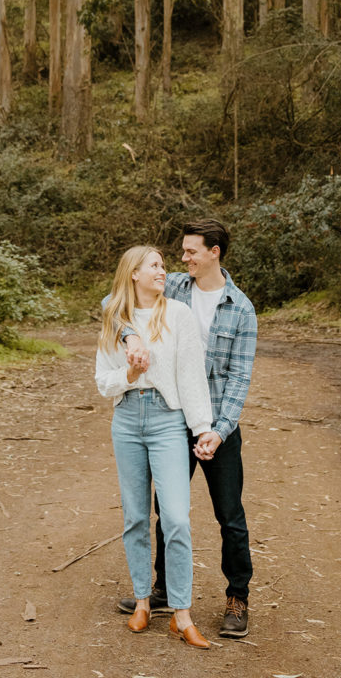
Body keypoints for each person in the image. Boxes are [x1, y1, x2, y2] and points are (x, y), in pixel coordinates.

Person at [117, 219, 257, 638]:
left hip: (217, 426)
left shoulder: (241, 308)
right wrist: (128, 337)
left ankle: (237, 597)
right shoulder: (173, 286)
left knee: (229, 514)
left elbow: (239, 378)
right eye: (181, 252)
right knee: (169, 512)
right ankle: (162, 590)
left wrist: (218, 429)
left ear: (215, 251)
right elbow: (119, 299)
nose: (183, 258)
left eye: (191, 251)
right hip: (171, 419)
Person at [95, 245, 215, 650]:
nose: (164, 271)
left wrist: (202, 429)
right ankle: (143, 602)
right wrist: (129, 373)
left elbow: (192, 378)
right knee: (134, 517)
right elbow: (103, 382)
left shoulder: (177, 315)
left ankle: (181, 614)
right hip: (127, 418)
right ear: (134, 274)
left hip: (167, 420)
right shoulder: (115, 319)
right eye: (155, 265)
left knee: (176, 518)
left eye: (164, 265)